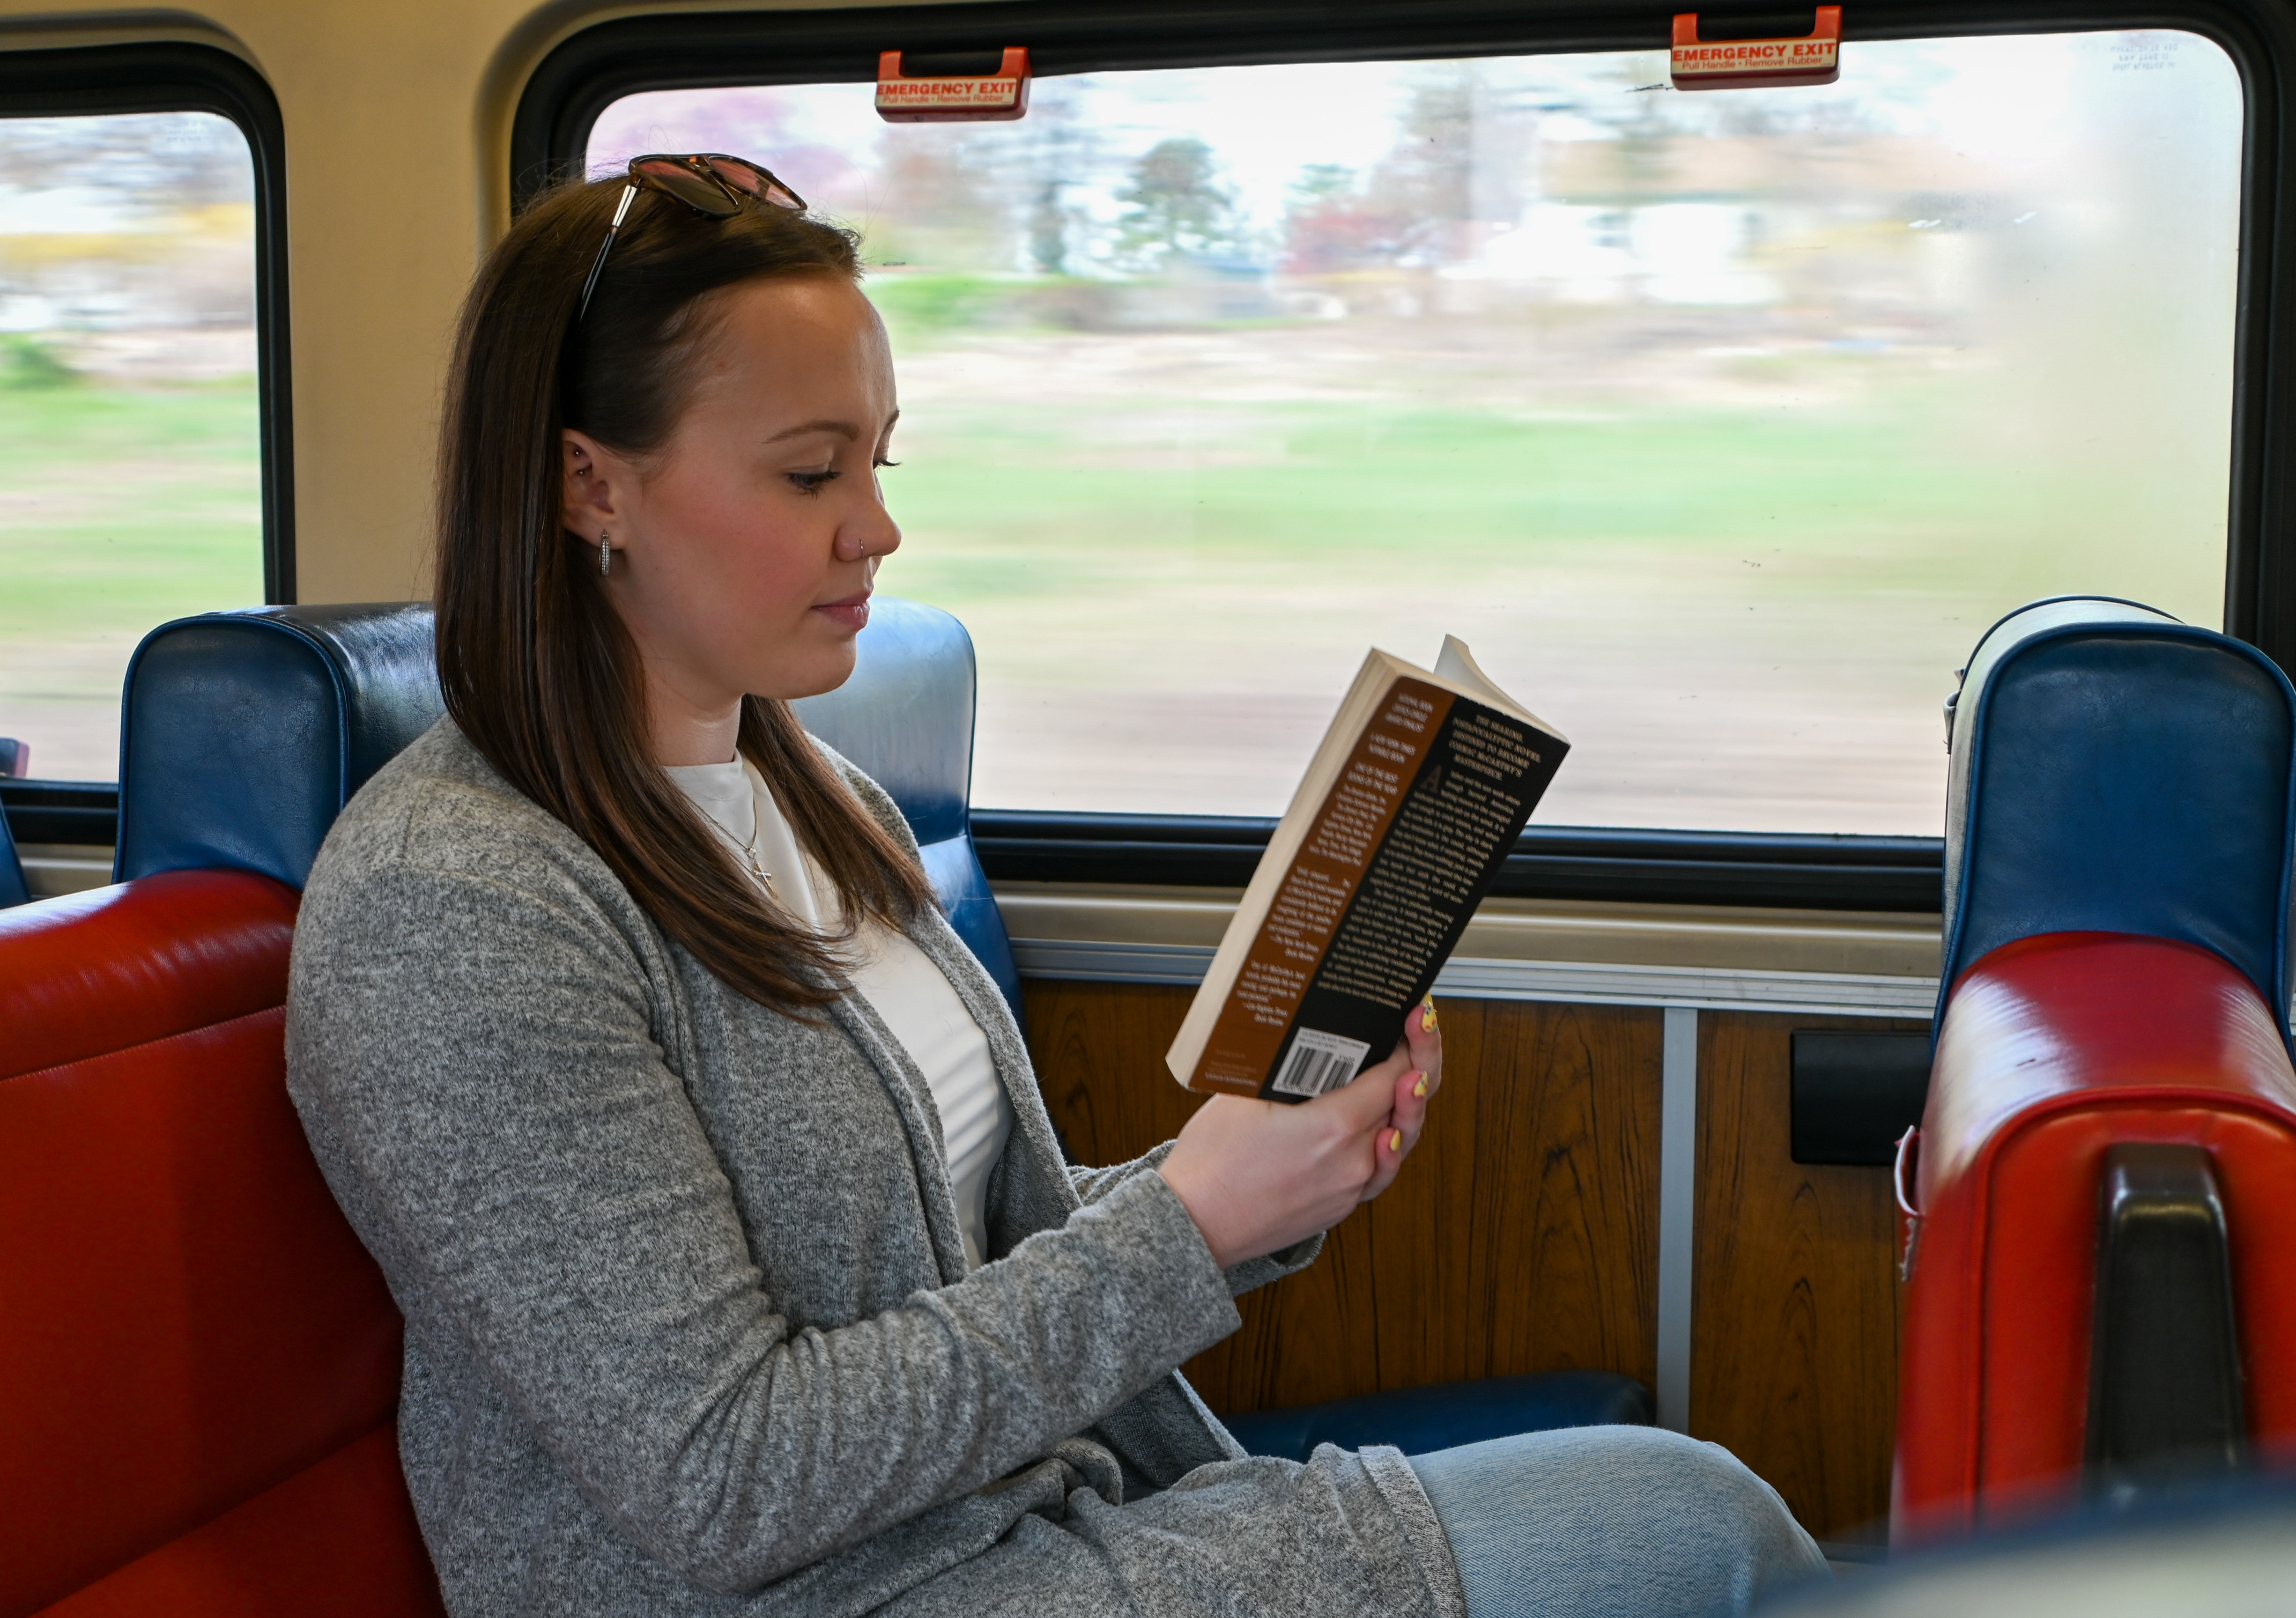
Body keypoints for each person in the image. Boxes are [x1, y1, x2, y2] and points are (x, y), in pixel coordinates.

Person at [284, 155, 1825, 1618]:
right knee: (1699, 1533)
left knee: (1693, 1518)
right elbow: (724, 1477)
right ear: (588, 487)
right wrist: (1190, 1230)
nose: (876, 529)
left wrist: (1258, 1179)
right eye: (811, 471)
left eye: (877, 463)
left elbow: (957, 1257)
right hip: (840, 1592)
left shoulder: (815, 800)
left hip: (1019, 1528)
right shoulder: (460, 908)